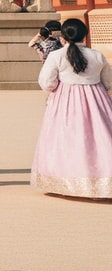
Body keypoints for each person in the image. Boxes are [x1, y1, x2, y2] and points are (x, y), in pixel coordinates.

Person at [32, 18, 112, 199]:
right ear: (85, 36)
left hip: (65, 101)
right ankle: (101, 180)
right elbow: (108, 81)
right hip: (96, 99)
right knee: (100, 139)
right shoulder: (97, 55)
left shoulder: (56, 56)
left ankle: (65, 180)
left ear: (63, 38)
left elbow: (47, 83)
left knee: (64, 139)